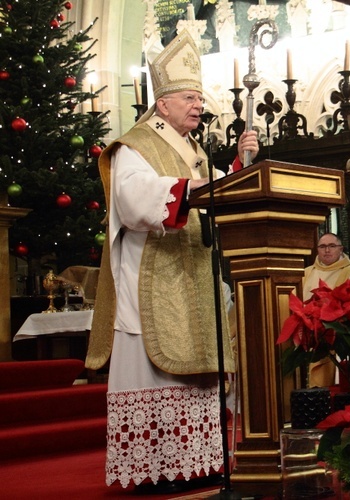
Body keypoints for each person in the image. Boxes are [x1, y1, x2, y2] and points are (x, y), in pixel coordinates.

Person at [84, 32, 259, 491]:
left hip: (191, 273)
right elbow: (131, 198)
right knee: (152, 364)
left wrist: (242, 168)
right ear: (162, 104)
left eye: (200, 97)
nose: (198, 105)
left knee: (196, 374)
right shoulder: (134, 145)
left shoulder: (195, 152)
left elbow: (217, 186)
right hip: (152, 276)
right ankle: (153, 471)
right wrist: (188, 192)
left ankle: (194, 462)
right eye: (189, 97)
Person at [302, 232, 350, 387]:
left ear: (341, 249)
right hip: (306, 331)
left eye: (332, 246)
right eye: (323, 246)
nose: (327, 250)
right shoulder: (306, 272)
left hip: (335, 334)